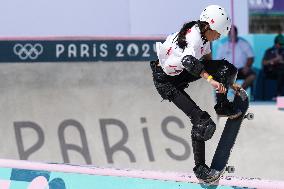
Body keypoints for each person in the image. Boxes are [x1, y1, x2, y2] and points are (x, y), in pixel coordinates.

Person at [150, 5, 242, 183]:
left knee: (226, 69)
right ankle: (200, 168)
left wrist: (227, 83)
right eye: (218, 33)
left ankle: (222, 106)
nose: (219, 37)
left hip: (181, 72)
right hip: (167, 82)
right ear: (208, 27)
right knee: (203, 124)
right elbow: (188, 61)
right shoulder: (193, 38)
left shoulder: (204, 35)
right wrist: (211, 80)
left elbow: (209, 61)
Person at [216, 25, 256, 90]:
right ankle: (223, 96)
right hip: (228, 70)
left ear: (236, 33)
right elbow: (218, 60)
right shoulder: (223, 46)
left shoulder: (244, 44)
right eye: (230, 33)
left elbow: (250, 57)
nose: (232, 35)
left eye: (233, 33)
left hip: (241, 70)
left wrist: (247, 67)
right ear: (228, 34)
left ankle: (239, 92)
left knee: (252, 75)